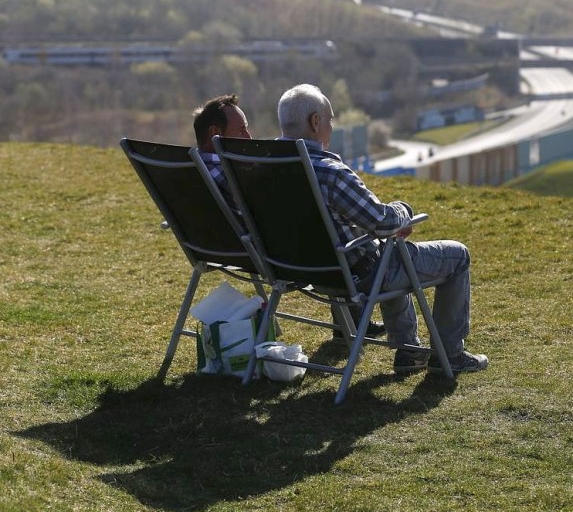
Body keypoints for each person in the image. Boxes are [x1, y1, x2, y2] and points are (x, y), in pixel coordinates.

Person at [276, 83, 488, 374]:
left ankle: (410, 352)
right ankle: (450, 355)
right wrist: (404, 210)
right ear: (315, 122)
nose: (331, 125)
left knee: (385, 249)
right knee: (456, 255)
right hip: (353, 273)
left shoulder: (261, 166)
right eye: (330, 119)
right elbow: (383, 221)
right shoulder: (330, 172)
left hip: (298, 269)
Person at [192, 94, 385, 339]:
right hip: (272, 254)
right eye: (241, 131)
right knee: (321, 224)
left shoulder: (191, 168)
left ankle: (349, 322)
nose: (249, 138)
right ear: (214, 133)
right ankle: (356, 322)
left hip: (211, 248)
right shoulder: (231, 173)